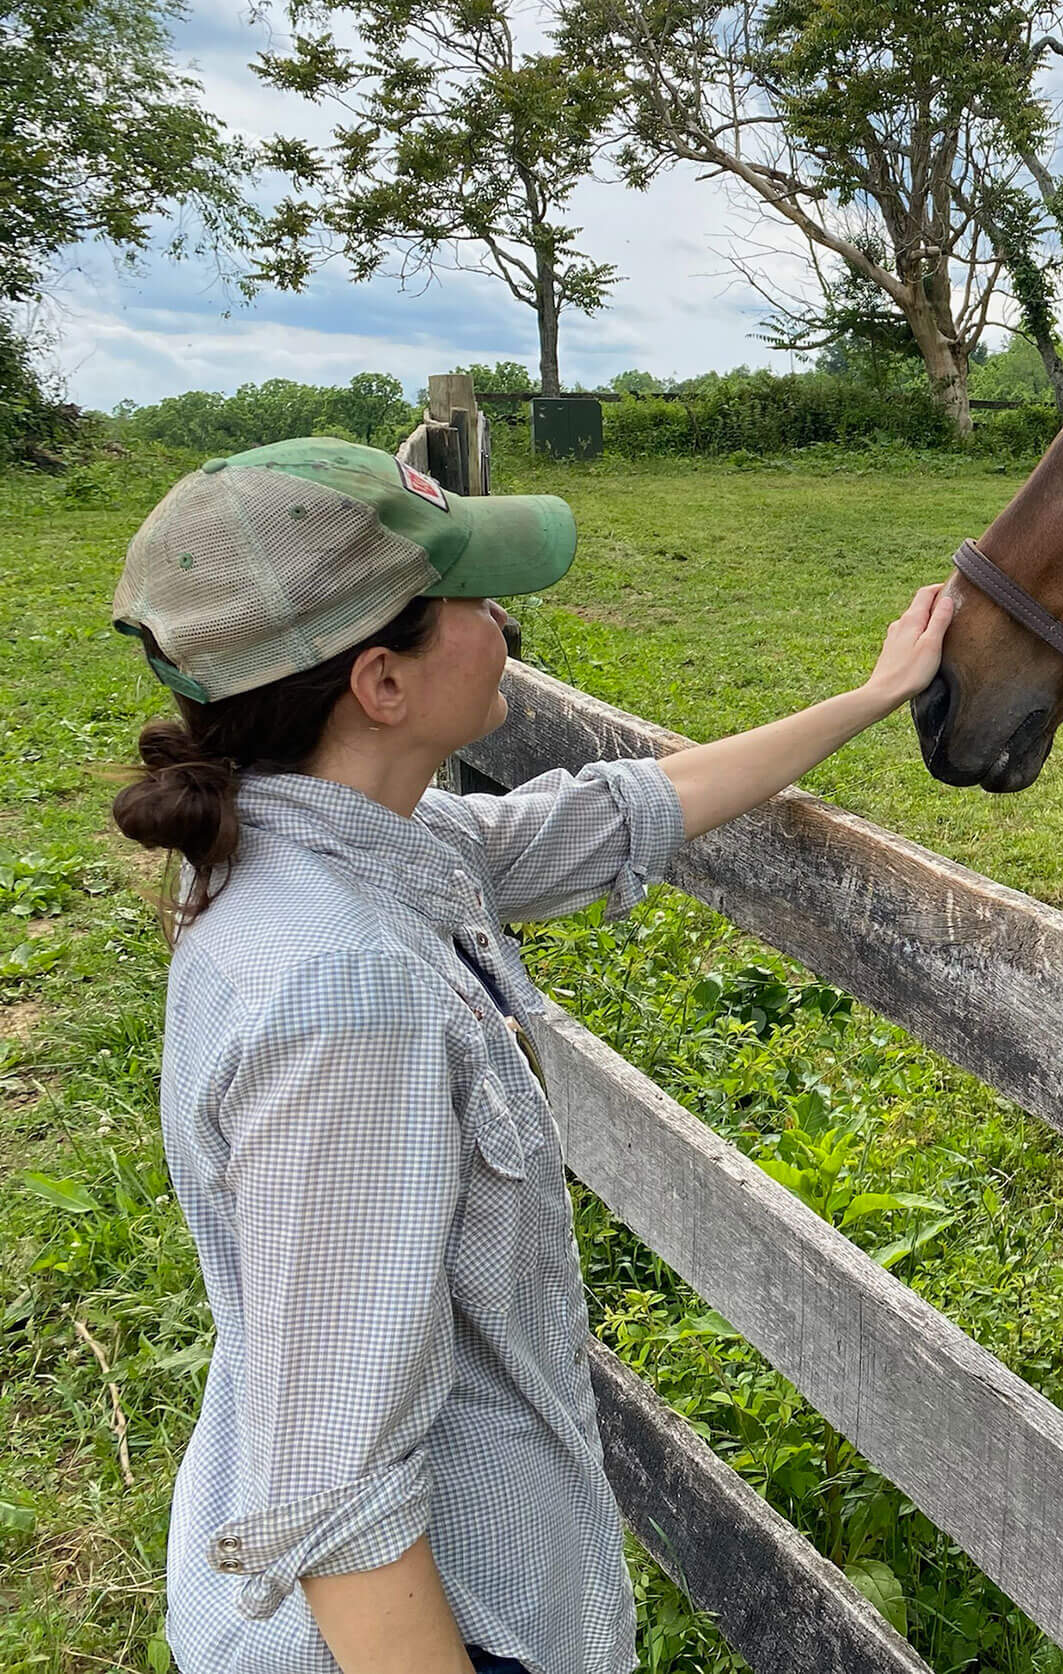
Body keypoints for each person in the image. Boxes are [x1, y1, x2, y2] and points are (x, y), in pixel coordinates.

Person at [106, 438, 954, 1674]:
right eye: (470, 600)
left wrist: (871, 696)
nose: (502, 617)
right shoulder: (347, 993)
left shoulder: (342, 848)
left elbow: (613, 814)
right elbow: (339, 1496)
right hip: (435, 1627)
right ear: (384, 684)